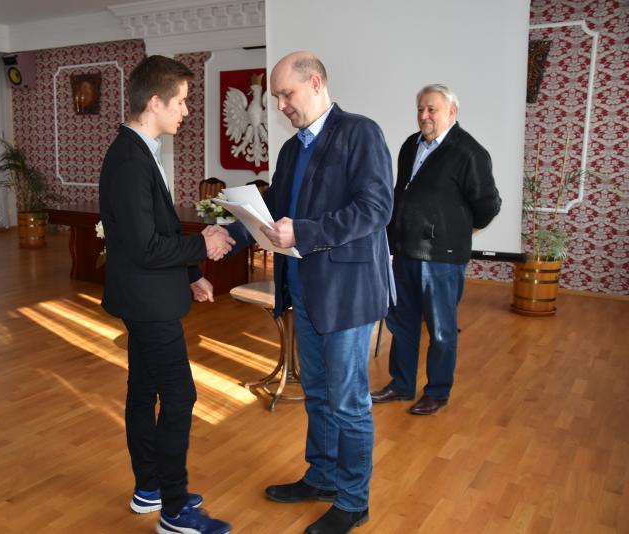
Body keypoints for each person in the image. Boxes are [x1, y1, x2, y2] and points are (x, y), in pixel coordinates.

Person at [226, 51, 393, 534]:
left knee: (348, 402)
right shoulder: (291, 149)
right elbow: (273, 207)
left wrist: (304, 231)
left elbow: (376, 208)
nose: (280, 105)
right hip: (304, 289)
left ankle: (353, 501)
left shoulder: (360, 132)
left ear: (315, 83)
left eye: (286, 94)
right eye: (277, 97)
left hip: (346, 295)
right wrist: (229, 231)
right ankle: (321, 477)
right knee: (317, 393)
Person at [99, 55, 234, 534]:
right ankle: (175, 512)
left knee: (144, 391)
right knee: (180, 396)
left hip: (148, 295)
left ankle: (150, 488)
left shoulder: (138, 150)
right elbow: (146, 247)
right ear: (154, 102)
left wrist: (191, 273)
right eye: (181, 101)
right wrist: (204, 245)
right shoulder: (129, 160)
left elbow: (160, 229)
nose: (186, 111)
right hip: (148, 303)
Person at [371, 84, 502, 415]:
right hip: (405, 253)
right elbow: (401, 193)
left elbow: (488, 204)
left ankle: (437, 392)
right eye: (420, 109)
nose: (424, 115)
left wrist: (460, 229)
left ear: (452, 113)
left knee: (441, 330)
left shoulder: (469, 152)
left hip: (442, 260)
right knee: (402, 325)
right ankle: (401, 385)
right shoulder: (410, 145)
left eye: (432, 109)